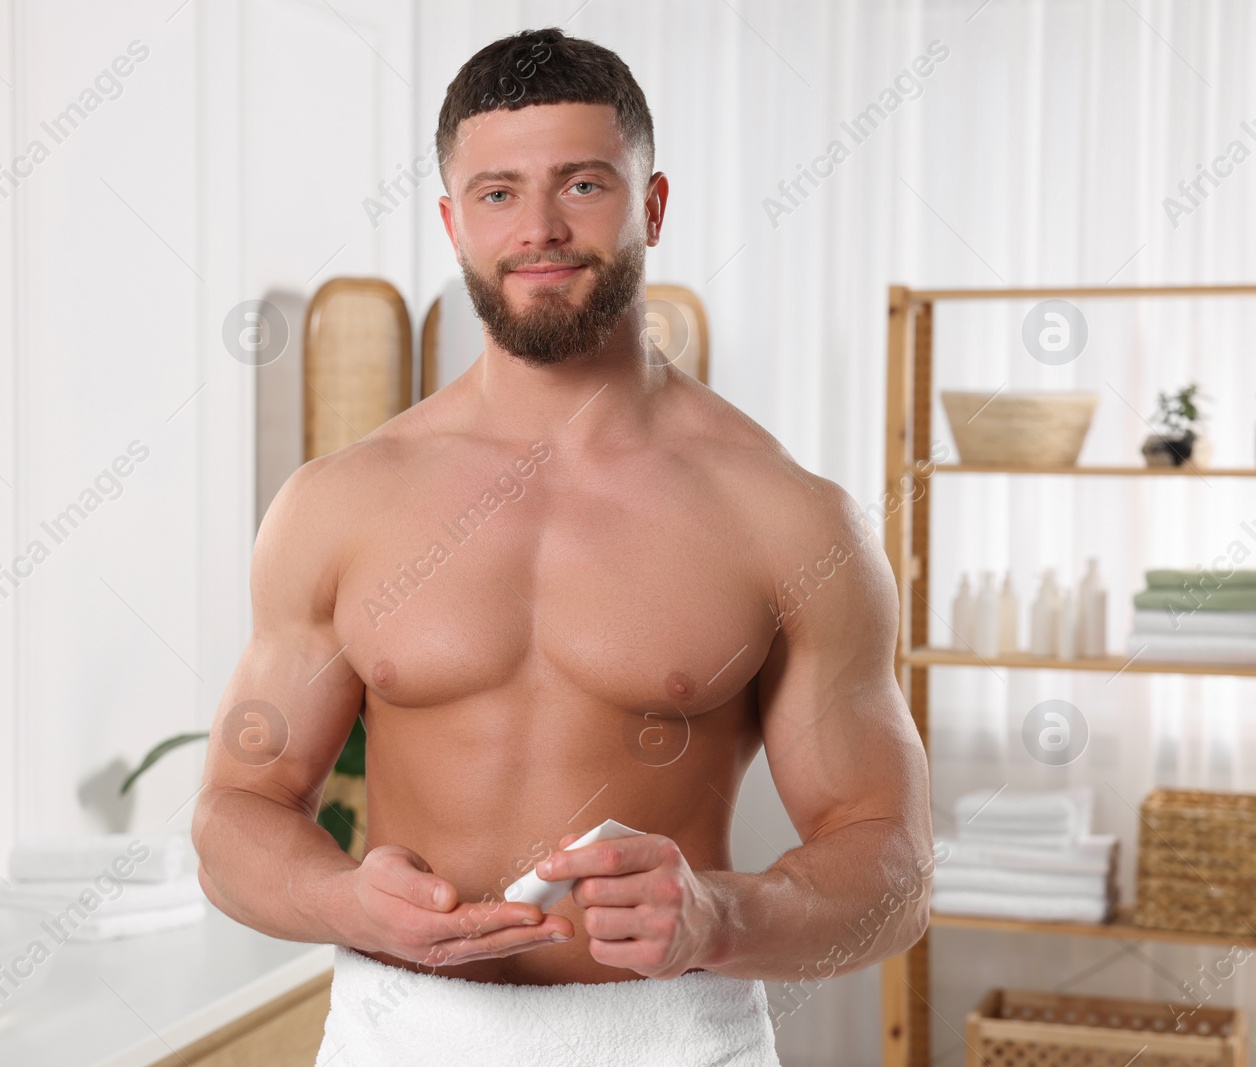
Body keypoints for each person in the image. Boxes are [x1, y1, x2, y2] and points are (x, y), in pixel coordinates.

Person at [192, 26, 932, 1067]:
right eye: (497, 193)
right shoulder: (338, 504)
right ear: (453, 223)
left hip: (673, 1038)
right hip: (400, 1036)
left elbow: (891, 871)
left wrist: (719, 913)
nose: (538, 228)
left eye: (582, 185)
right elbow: (235, 811)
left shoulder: (787, 516)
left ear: (653, 205)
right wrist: (337, 897)